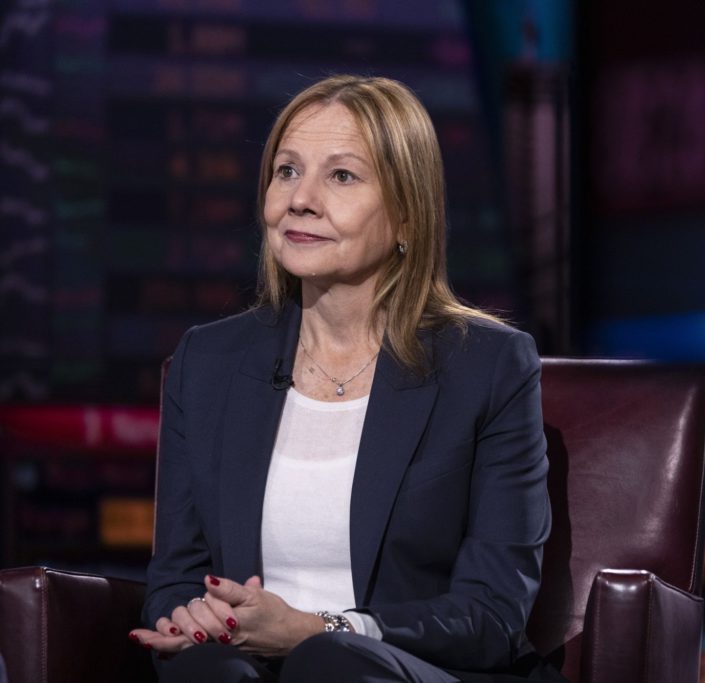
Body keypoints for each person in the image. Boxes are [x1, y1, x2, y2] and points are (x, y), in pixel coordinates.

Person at [128, 75, 563, 683]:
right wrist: (197, 619)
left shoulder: (487, 366)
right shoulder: (209, 361)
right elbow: (176, 578)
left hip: (408, 668)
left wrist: (319, 629)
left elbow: (491, 615)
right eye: (286, 171)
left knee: (328, 662)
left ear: (408, 215)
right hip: (248, 669)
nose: (300, 199)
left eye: (341, 176)